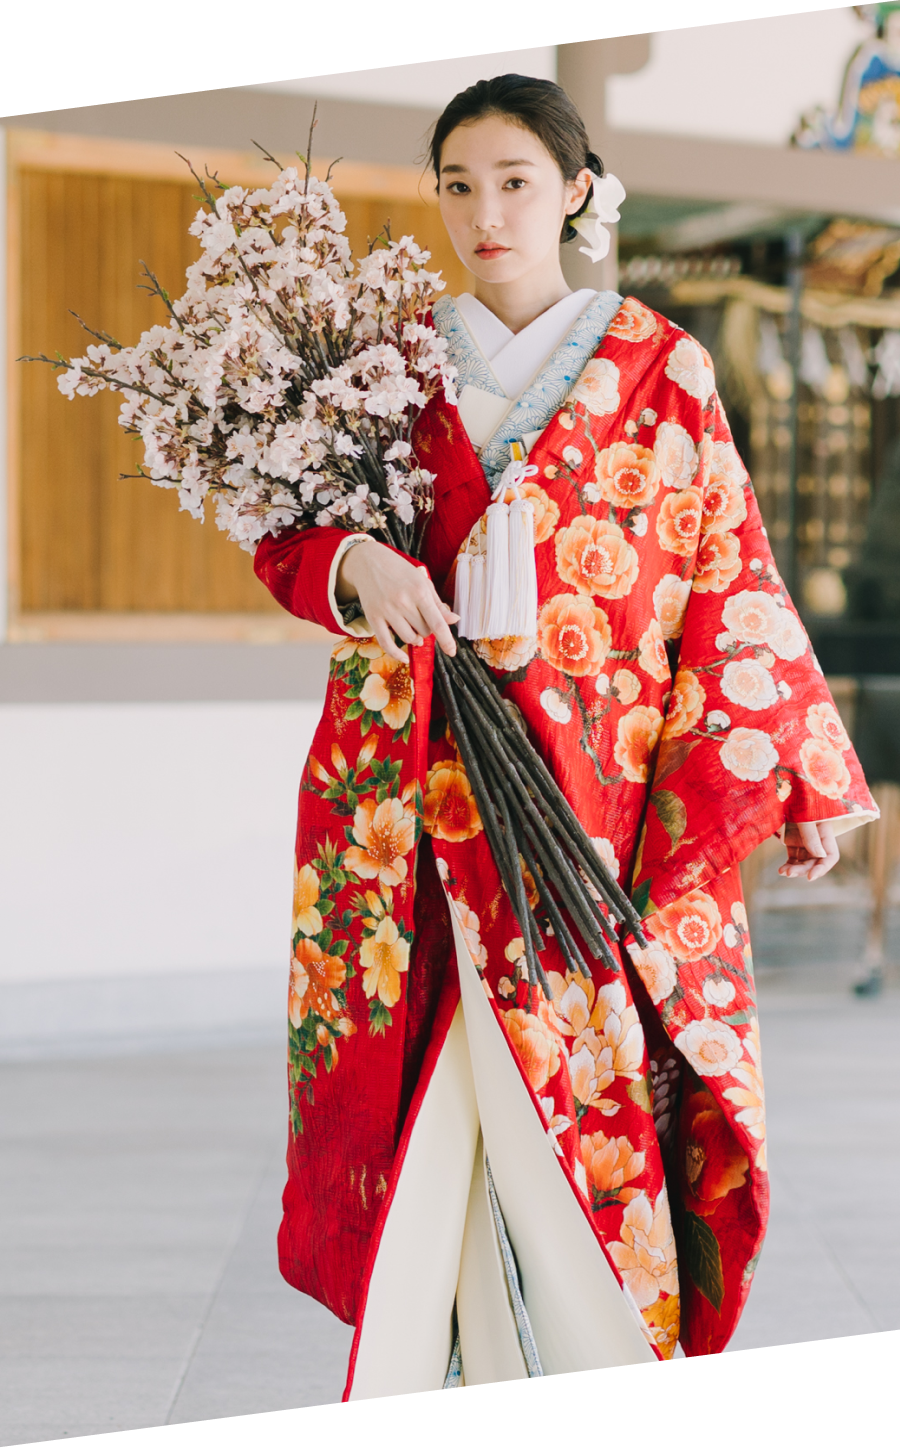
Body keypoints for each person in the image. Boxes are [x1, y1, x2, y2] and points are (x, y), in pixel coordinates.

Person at [253, 75, 878, 1394]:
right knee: (444, 1078)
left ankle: (591, 1339)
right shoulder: (390, 363)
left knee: (586, 1093)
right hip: (425, 779)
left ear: (580, 189)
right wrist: (356, 560)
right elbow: (289, 537)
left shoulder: (664, 364)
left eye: (517, 181)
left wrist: (803, 774)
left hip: (598, 791)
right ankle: (435, 1351)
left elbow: (729, 574)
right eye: (459, 185)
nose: (486, 212)